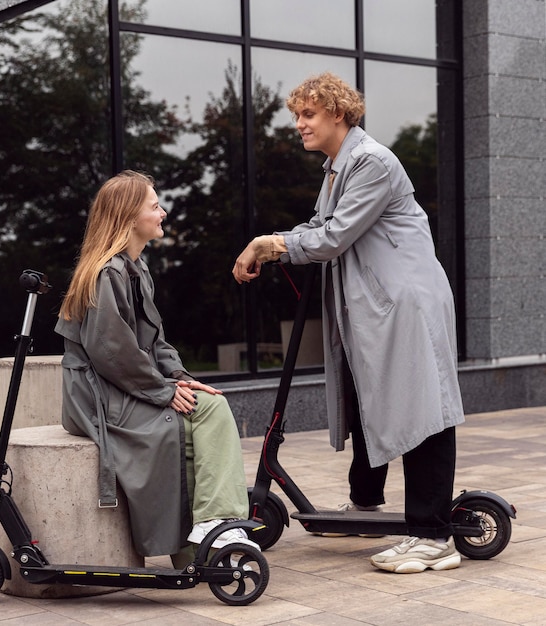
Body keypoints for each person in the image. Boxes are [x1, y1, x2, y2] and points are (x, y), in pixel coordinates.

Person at [232, 72, 465, 574]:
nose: (299, 124)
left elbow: (334, 237)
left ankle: (433, 535)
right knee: (368, 399)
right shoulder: (338, 167)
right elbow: (318, 229)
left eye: (308, 114)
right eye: (298, 115)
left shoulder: (373, 163)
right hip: (373, 307)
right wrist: (274, 244)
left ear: (338, 113)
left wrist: (269, 245)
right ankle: (366, 505)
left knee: (421, 410)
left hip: (403, 304)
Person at [55, 169, 257, 565]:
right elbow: (111, 352)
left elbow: (155, 342)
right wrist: (164, 392)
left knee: (204, 411)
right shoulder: (108, 273)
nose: (163, 212)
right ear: (130, 217)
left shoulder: (135, 268)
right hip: (99, 396)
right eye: (155, 206)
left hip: (122, 387)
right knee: (204, 416)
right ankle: (216, 526)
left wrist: (183, 379)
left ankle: (201, 543)